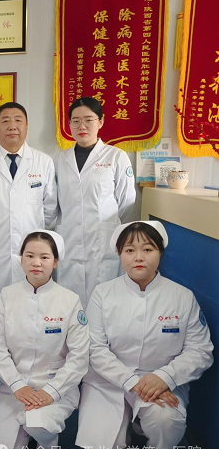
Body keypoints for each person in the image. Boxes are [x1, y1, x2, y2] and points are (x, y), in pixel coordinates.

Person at [76, 221, 214, 449]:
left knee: (166, 420)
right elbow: (95, 348)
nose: (138, 257)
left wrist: (165, 377)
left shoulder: (182, 297)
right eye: (129, 250)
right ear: (120, 254)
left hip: (161, 384)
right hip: (109, 379)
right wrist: (133, 382)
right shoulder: (103, 294)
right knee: (103, 445)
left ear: (160, 252)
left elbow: (201, 350)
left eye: (148, 249)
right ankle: (129, 425)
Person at [0, 230, 89, 449]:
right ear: (21, 259)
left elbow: (79, 356)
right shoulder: (7, 296)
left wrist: (51, 391)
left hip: (55, 385)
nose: (36, 262)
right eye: (30, 256)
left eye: (44, 257)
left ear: (55, 262)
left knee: (38, 425)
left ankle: (47, 441)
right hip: (15, 387)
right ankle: (27, 426)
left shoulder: (69, 300)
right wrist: (17, 385)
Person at [54, 97, 136, 308]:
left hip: (103, 241)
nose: (82, 126)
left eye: (88, 120)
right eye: (75, 121)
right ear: (69, 124)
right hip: (69, 239)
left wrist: (106, 223)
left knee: (104, 303)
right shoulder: (59, 160)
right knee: (70, 304)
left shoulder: (116, 156)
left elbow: (127, 200)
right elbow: (55, 202)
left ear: (101, 121)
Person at [0, 102, 57, 305]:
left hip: (33, 253)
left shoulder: (44, 162)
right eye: (5, 121)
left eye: (18, 120)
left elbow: (51, 209)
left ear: (27, 126)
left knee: (31, 308)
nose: (12, 126)